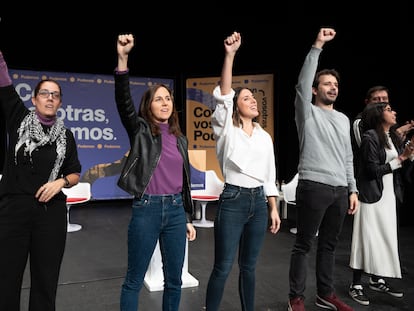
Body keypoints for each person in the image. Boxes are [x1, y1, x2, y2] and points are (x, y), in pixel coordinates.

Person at [114, 34, 196, 311]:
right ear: (148, 106)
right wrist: (123, 59)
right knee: (134, 279)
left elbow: (182, 182)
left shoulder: (180, 139)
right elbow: (124, 100)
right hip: (146, 209)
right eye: (158, 99)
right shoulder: (140, 130)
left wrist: (186, 217)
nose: (165, 102)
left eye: (168, 98)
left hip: (174, 211)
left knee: (174, 281)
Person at [0, 51, 82, 311]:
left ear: (59, 103)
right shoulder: (17, 118)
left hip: (51, 214)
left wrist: (60, 183)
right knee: (6, 280)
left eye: (55, 94)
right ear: (34, 99)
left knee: (46, 282)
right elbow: (2, 79)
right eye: (45, 93)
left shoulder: (66, 136)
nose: (50, 98)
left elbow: (75, 172)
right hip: (14, 211)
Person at [205, 31, 281, 311]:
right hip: (234, 200)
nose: (251, 100)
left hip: (258, 203)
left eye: (253, 98)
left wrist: (273, 207)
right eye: (245, 97)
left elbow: (270, 175)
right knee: (223, 267)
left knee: (249, 268)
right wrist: (230, 55)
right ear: (236, 106)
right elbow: (224, 95)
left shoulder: (264, 137)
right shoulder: (227, 128)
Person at [287, 28, 358, 311]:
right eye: (326, 84)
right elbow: (302, 83)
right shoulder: (307, 112)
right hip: (314, 185)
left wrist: (352, 188)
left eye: (335, 84)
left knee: (328, 246)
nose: (332, 87)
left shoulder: (343, 119)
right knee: (303, 245)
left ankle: (325, 294)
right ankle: (296, 298)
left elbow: (348, 156)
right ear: (315, 90)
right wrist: (317, 46)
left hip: (340, 190)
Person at [348, 102, 414, 306]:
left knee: (384, 238)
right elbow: (370, 171)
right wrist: (400, 159)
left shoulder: (391, 137)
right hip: (371, 196)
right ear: (378, 115)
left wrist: (409, 154)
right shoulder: (370, 137)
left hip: (387, 196)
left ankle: (377, 279)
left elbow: (401, 164)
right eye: (388, 109)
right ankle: (356, 284)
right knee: (365, 238)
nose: (394, 112)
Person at [351, 85, 414, 157]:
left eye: (384, 99)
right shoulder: (359, 122)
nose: (381, 102)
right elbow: (368, 153)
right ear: (367, 102)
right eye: (376, 99)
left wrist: (408, 143)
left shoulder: (390, 121)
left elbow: (400, 150)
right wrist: (397, 134)